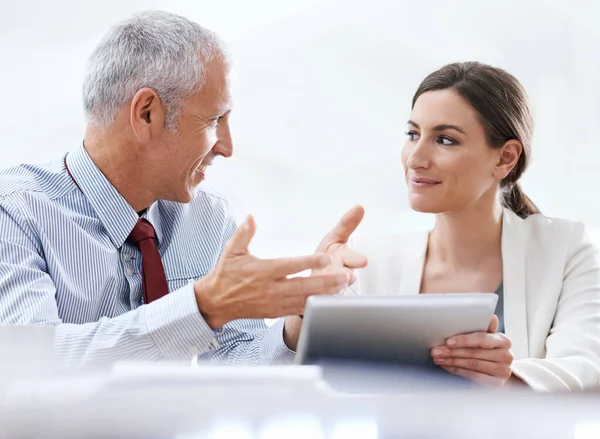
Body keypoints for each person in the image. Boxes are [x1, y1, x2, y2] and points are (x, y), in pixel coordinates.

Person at [0, 11, 367, 369]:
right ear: (146, 113)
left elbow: (233, 366)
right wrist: (203, 306)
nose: (227, 146)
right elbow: (28, 367)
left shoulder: (208, 219)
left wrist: (298, 319)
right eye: (214, 121)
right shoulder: (15, 213)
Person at [339, 62, 600, 391]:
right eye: (413, 134)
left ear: (505, 158)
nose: (415, 159)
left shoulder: (569, 249)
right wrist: (307, 302)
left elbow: (587, 370)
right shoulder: (368, 263)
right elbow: (318, 374)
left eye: (445, 140)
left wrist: (506, 379)